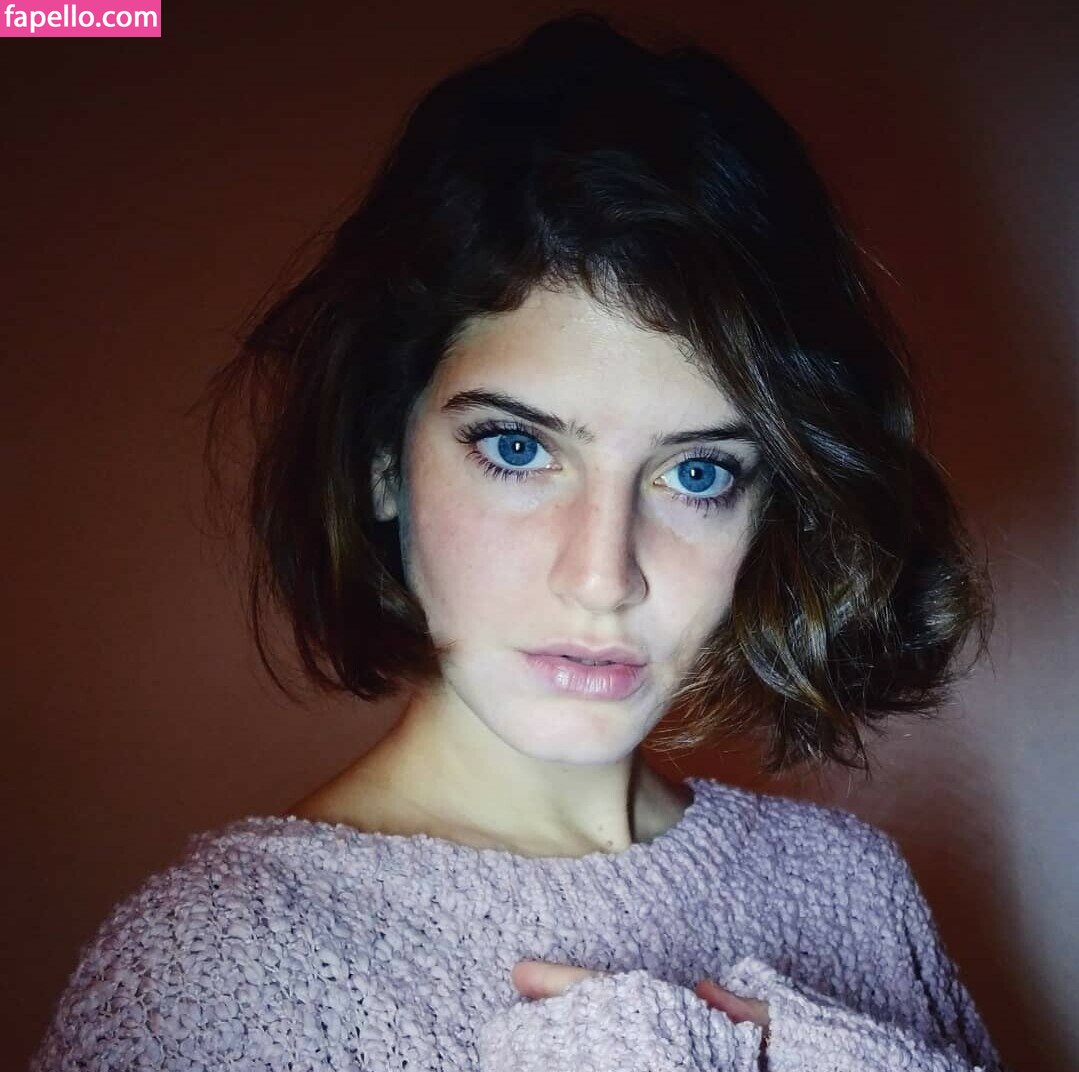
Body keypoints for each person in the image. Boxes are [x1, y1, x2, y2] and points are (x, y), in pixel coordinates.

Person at [32, 12, 1005, 1071]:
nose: (601, 576)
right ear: (381, 457)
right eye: (516, 448)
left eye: (696, 473)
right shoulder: (208, 983)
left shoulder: (852, 889)